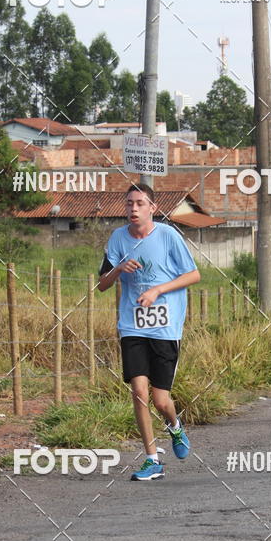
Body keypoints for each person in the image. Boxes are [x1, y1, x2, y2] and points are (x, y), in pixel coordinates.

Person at [98, 183, 200, 480]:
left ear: (152, 208)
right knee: (139, 392)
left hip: (165, 328)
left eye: (140, 203)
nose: (133, 208)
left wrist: (157, 290)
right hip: (132, 326)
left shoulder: (168, 236)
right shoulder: (117, 238)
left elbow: (194, 274)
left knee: (160, 400)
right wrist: (118, 269)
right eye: (129, 203)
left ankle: (175, 427)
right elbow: (103, 284)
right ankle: (152, 459)